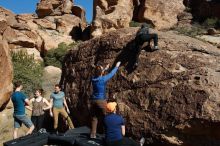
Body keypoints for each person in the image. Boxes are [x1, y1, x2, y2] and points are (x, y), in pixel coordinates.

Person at [90, 61, 121, 138]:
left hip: (93, 100)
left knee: (94, 118)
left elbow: (98, 74)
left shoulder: (93, 79)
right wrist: (116, 66)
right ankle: (108, 135)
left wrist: (105, 69)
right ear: (101, 72)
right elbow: (111, 74)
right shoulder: (103, 79)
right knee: (106, 117)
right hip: (101, 101)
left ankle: (92, 135)